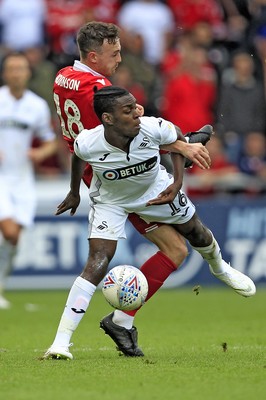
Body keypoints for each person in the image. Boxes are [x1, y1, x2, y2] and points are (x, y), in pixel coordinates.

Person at [42, 86, 256, 360]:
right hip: (111, 201)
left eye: (135, 106)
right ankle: (61, 342)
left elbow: (179, 141)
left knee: (197, 235)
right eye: (128, 110)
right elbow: (78, 157)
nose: (137, 113)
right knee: (97, 261)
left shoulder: (152, 127)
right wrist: (74, 192)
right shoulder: (88, 141)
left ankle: (219, 268)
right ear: (108, 118)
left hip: (155, 191)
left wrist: (178, 182)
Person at [44, 21, 214, 359]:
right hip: (117, 175)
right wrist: (181, 145)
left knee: (176, 249)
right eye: (114, 53)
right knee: (141, 253)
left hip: (99, 169)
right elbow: (131, 133)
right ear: (93, 56)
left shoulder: (64, 75)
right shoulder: (97, 87)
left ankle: (117, 323)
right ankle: (82, 334)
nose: (120, 59)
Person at [0, 52, 58, 309]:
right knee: (8, 229)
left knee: (13, 239)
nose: (16, 73)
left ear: (28, 73)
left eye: (21, 68)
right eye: (11, 69)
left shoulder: (36, 105)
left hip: (23, 179)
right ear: (4, 73)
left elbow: (50, 141)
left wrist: (39, 153)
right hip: (1, 177)